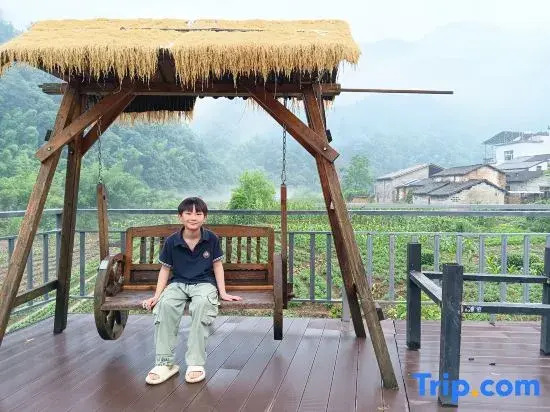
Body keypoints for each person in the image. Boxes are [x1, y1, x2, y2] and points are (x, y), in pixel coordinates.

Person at [142, 197, 241, 385]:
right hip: (178, 283)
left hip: (204, 283)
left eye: (198, 213)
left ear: (205, 217)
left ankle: (195, 363)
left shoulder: (211, 239)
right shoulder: (172, 241)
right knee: (166, 305)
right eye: (188, 213)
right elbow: (165, 269)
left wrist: (223, 292)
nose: (193, 217)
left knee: (202, 305)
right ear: (180, 216)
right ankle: (164, 364)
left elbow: (217, 266)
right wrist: (157, 296)